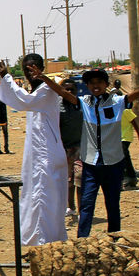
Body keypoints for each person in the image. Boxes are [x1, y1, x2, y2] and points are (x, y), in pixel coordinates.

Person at [29, 61, 139, 238]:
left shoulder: (118, 102)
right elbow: (61, 92)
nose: (95, 85)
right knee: (87, 203)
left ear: (106, 84)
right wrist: (44, 77)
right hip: (91, 164)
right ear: (88, 86)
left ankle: (114, 239)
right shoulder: (84, 103)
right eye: (91, 83)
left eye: (99, 82)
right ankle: (82, 240)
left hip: (113, 163)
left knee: (113, 204)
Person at [0, 55, 67, 246]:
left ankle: (45, 241)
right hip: (37, 154)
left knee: (44, 197)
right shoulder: (38, 91)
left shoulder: (46, 90)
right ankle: (38, 240)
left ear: (42, 68)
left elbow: (24, 101)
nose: (30, 73)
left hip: (46, 155)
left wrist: (7, 77)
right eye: (26, 70)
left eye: (33, 68)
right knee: (35, 194)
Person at [59, 78, 83, 217]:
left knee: (79, 180)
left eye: (71, 90)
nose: (68, 92)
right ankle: (71, 207)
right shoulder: (56, 106)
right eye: (65, 89)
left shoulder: (81, 106)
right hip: (62, 149)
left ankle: (81, 210)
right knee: (68, 182)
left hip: (79, 148)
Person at [121, 105, 139, 189]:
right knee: (122, 158)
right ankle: (127, 178)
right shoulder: (111, 109)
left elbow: (134, 122)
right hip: (115, 137)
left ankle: (130, 178)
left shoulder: (126, 110)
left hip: (125, 137)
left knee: (124, 156)